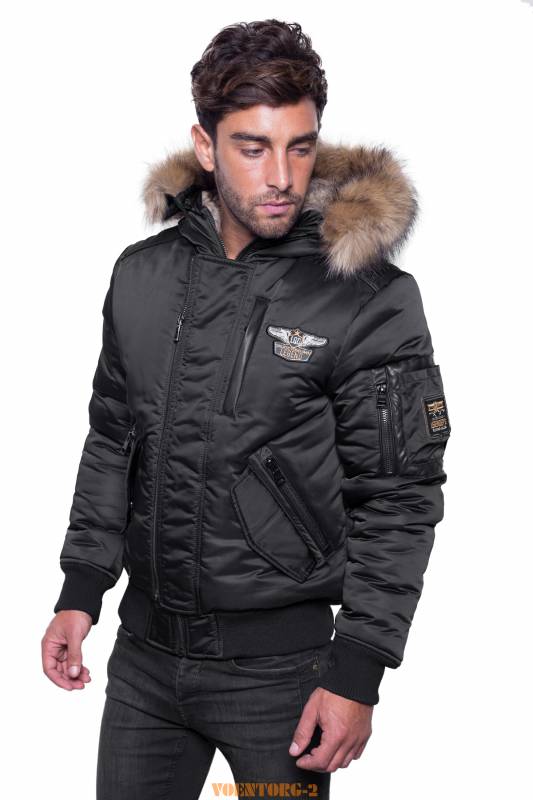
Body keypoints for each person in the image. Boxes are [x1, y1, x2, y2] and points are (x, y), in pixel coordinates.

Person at [41, 18, 451, 800]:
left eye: (300, 147)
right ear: (205, 147)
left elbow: (399, 497)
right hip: (143, 662)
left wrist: (357, 670)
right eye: (253, 148)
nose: (281, 177)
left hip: (283, 678)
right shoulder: (141, 276)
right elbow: (111, 440)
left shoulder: (366, 296)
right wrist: (81, 588)